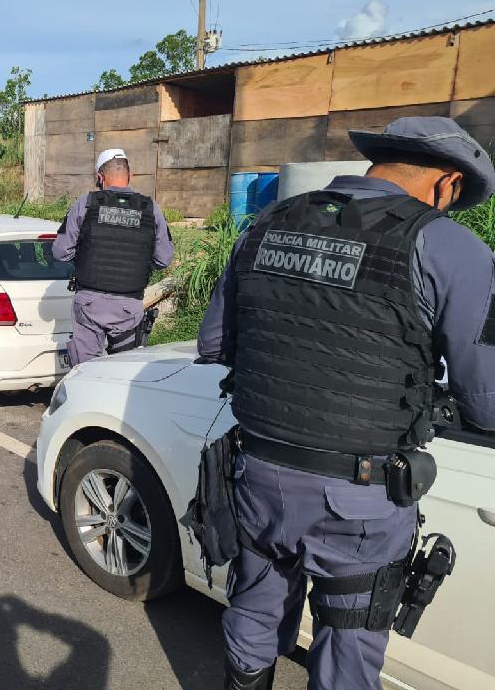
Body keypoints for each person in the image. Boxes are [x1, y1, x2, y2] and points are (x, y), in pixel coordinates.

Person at [196, 117, 495, 690]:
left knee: (254, 616)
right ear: (447, 183)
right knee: (348, 651)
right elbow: (486, 403)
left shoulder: (268, 222)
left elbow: (214, 344)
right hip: (359, 498)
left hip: (258, 474)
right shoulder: (453, 248)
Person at [53, 148, 175, 365]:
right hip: (128, 306)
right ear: (130, 176)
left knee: (84, 371)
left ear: (100, 177)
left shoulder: (86, 203)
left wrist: (85, 255)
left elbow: (61, 252)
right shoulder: (150, 208)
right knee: (124, 370)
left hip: (89, 302)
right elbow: (163, 259)